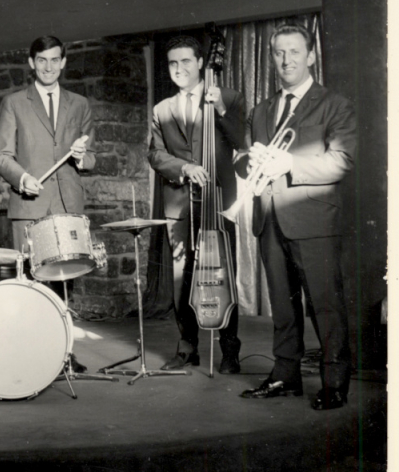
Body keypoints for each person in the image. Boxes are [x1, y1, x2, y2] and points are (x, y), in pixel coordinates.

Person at [238, 24, 355, 410]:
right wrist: (248, 162)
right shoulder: (260, 110)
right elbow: (244, 160)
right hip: (270, 220)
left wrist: (290, 162)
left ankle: (334, 383)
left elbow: (342, 160)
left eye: (294, 51)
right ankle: (284, 376)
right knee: (282, 308)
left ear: (310, 56)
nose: (286, 60)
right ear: (272, 57)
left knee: (326, 306)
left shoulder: (334, 104)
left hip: (314, 222)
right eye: (278, 53)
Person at [0, 35, 95, 372]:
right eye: (41, 60)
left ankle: (63, 353)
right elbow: (1, 156)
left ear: (63, 62)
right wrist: (22, 178)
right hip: (29, 207)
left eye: (54, 60)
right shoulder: (14, 103)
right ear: (31, 63)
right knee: (31, 284)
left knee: (65, 284)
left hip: (67, 206)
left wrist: (80, 157)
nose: (48, 67)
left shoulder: (79, 104)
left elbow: (91, 157)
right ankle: (33, 357)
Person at [148, 35, 246, 373]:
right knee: (182, 278)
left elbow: (242, 141)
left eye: (186, 61)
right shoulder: (162, 109)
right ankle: (188, 346)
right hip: (179, 202)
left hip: (218, 200)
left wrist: (220, 110)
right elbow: (155, 154)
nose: (179, 69)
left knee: (222, 273)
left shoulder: (229, 97)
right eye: (173, 63)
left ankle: (230, 350)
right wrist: (184, 167)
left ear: (201, 62)